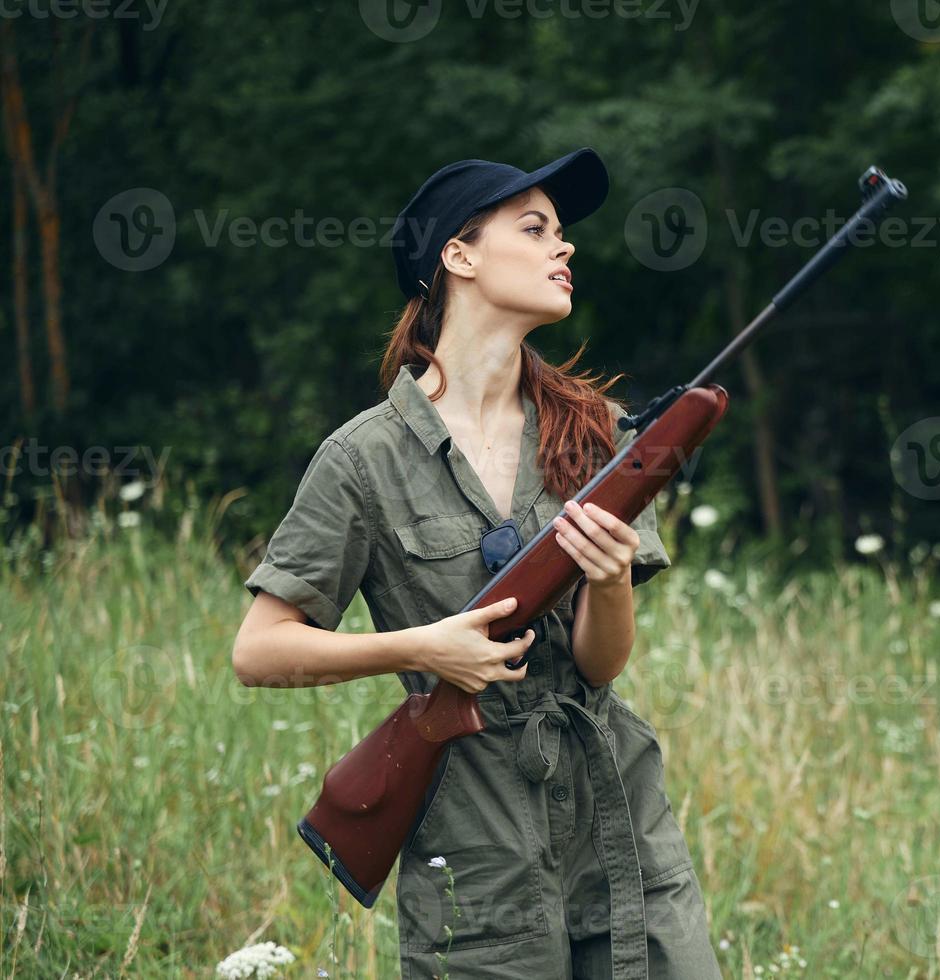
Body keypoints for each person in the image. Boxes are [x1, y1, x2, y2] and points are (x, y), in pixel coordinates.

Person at [232, 148, 722, 979]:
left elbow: (601, 665)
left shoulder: (597, 433)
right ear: (457, 257)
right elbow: (260, 650)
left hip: (619, 828)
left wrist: (608, 582)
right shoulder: (363, 459)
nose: (564, 248)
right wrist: (424, 648)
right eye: (535, 230)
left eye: (563, 234)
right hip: (477, 845)